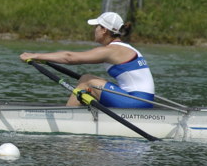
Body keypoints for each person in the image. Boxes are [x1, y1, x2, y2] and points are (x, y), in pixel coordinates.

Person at [19, 11, 155, 108]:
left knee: (87, 82)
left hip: (137, 103)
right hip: (141, 100)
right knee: (87, 77)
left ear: (104, 30)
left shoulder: (112, 51)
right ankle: (82, 112)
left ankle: (68, 118)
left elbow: (69, 58)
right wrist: (45, 59)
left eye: (97, 26)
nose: (94, 30)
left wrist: (36, 55)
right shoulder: (125, 48)